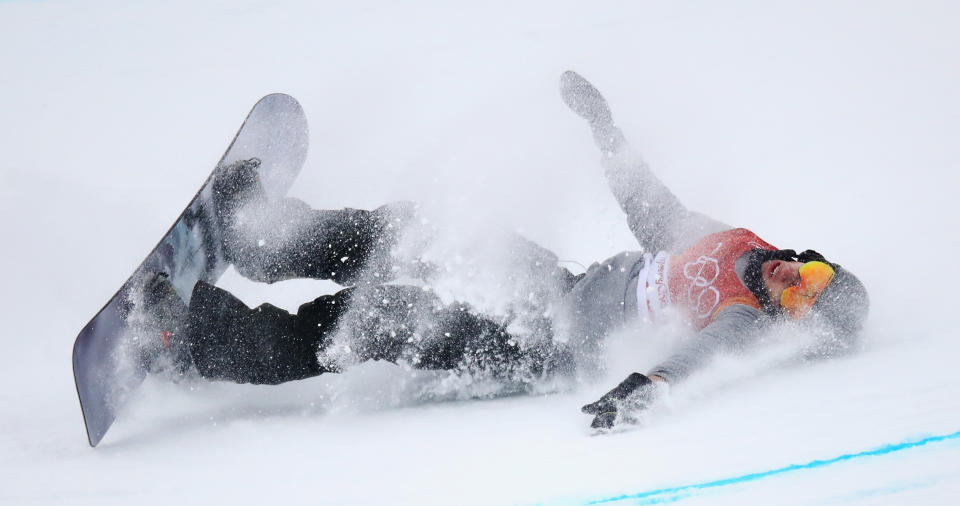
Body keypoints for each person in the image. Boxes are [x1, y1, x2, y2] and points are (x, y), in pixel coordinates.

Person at [141, 71, 869, 430]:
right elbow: (654, 211)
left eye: (803, 294)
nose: (793, 277)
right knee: (418, 231)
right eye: (813, 270)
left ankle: (197, 341)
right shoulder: (742, 244)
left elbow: (692, 362)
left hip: (546, 349)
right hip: (560, 284)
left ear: (794, 319)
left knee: (378, 319)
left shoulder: (744, 318)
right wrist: (606, 129)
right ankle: (262, 237)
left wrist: (639, 388)